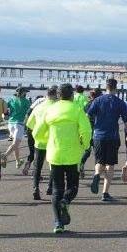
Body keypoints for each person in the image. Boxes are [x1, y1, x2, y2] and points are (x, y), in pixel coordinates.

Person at [32, 84, 92, 234]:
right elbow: (86, 130)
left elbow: (37, 131)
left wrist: (46, 140)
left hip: (54, 154)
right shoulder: (77, 110)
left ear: (58, 96)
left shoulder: (50, 110)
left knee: (57, 189)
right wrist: (84, 144)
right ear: (72, 95)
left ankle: (58, 223)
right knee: (73, 186)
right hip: (73, 154)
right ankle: (66, 201)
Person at [86, 79, 127, 202]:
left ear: (106, 87)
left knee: (99, 161)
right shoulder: (120, 102)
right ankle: (105, 193)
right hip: (112, 136)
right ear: (116, 88)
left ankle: (96, 174)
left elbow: (88, 115)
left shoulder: (97, 100)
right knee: (110, 165)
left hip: (98, 136)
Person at [25, 85, 58, 200]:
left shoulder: (38, 107)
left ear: (46, 95)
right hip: (53, 140)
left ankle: (36, 188)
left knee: (37, 166)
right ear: (56, 95)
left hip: (39, 140)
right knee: (53, 164)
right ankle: (50, 187)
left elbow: (29, 124)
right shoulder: (57, 107)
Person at [3, 87, 31, 169]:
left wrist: (5, 115)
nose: (26, 93)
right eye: (25, 92)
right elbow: (29, 113)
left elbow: (5, 109)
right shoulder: (26, 101)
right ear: (23, 92)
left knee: (15, 144)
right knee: (15, 144)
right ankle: (5, 155)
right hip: (19, 124)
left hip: (10, 123)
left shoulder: (11, 99)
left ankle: (18, 161)